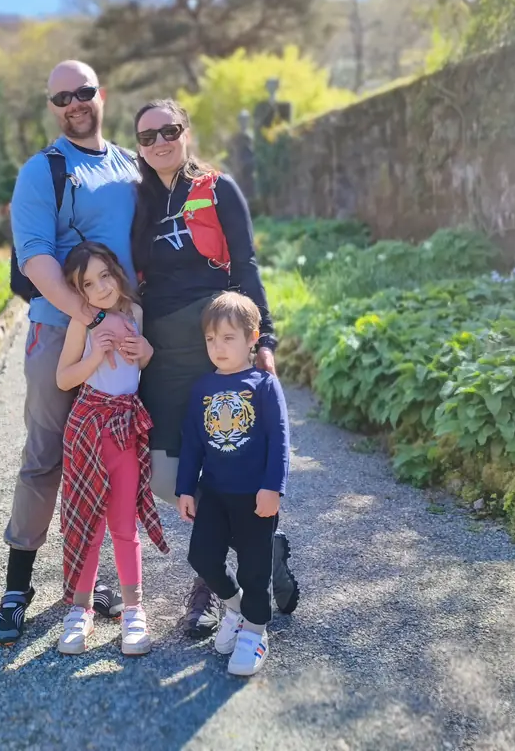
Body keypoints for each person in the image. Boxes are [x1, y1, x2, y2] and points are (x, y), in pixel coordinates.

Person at [130, 98, 298, 637]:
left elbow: (245, 263)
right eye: (147, 134)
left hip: (214, 348)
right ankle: (258, 543)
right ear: (137, 144)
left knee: (233, 457)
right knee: (165, 474)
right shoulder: (137, 201)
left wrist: (263, 336)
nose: (159, 141)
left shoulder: (218, 188)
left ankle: (212, 595)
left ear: (186, 132)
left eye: (169, 130)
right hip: (162, 359)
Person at [0, 60, 139, 645]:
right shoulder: (42, 172)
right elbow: (35, 256)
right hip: (59, 332)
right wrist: (89, 316)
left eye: (83, 92)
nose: (74, 103)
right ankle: (16, 587)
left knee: (109, 455)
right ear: (52, 106)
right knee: (46, 455)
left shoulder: (131, 164)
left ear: (102, 94)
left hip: (121, 337)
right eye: (61, 97)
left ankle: (86, 580)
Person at [54, 241, 168, 656]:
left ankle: (133, 611)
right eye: (89, 283)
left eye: (105, 275)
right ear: (79, 292)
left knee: (123, 521)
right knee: (87, 522)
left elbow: (140, 364)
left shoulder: (135, 315)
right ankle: (79, 611)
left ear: (117, 273)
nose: (101, 287)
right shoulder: (81, 324)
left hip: (125, 428)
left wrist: (146, 351)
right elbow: (64, 378)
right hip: (88, 428)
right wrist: (95, 355)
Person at [176, 291, 290, 676]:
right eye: (211, 339)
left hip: (255, 495)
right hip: (216, 493)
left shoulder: (264, 384)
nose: (218, 347)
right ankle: (237, 606)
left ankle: (255, 632)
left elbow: (279, 438)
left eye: (228, 338)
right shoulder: (202, 388)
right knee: (202, 557)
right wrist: (186, 488)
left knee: (254, 567)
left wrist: (273, 486)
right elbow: (192, 441)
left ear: (251, 337)